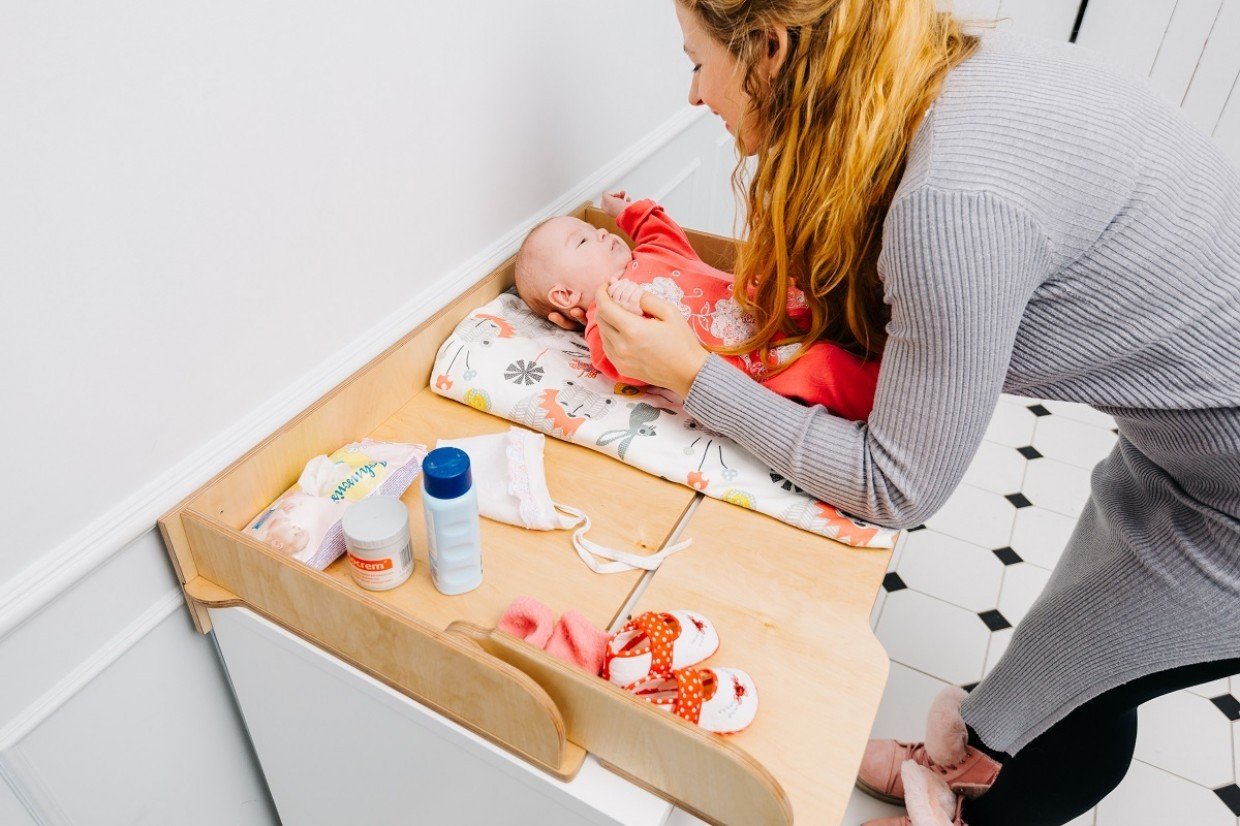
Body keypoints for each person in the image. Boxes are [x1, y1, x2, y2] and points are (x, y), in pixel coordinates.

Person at [551, 1, 1240, 824]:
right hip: (1188, 445)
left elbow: (898, 486)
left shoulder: (952, 202)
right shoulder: (946, 73)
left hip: (1227, 496)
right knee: (1062, 647)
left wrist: (697, 378)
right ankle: (965, 756)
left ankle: (970, 801)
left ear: (768, 50)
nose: (695, 95)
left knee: (1083, 691)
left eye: (696, 61)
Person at [514, 190, 881, 420]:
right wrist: (617, 312)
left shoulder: (652, 251)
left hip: (770, 304)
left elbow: (657, 230)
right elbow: (620, 360)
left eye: (595, 229)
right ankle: (892, 404)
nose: (603, 233)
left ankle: (889, 345)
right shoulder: (606, 318)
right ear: (564, 296)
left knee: (835, 302)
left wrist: (626, 210)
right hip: (760, 364)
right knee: (825, 369)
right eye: (583, 242)